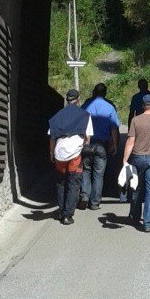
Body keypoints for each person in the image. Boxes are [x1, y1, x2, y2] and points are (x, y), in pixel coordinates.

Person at [122, 93, 150, 233]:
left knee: (136, 188)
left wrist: (124, 160)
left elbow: (130, 141)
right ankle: (148, 223)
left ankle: (135, 216)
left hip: (137, 158)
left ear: (143, 106)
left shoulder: (135, 120)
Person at [48, 87, 93, 225]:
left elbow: (52, 137)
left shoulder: (57, 116)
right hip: (75, 155)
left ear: (67, 100)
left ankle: (61, 212)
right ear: (78, 100)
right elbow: (88, 137)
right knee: (74, 184)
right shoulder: (85, 115)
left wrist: (51, 153)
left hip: (59, 154)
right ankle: (68, 215)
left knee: (61, 183)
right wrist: (82, 147)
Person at [80, 83, 119, 210]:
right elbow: (114, 128)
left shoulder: (86, 105)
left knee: (86, 170)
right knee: (98, 174)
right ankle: (95, 202)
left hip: (87, 143)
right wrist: (114, 144)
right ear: (105, 93)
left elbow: (79, 123)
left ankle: (85, 195)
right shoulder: (110, 107)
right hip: (102, 145)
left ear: (94, 92)